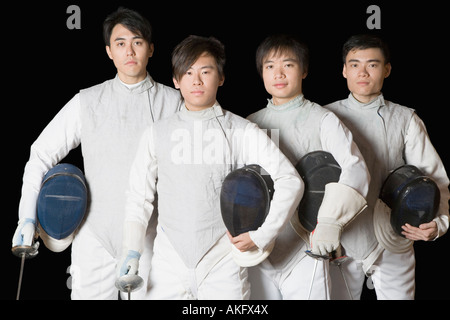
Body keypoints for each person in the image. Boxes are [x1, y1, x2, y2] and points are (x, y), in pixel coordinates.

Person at [12, 8, 182, 299]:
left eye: (137, 42)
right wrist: (26, 216)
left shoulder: (174, 102)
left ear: (151, 49)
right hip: (94, 236)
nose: (129, 51)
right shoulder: (88, 101)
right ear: (109, 52)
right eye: (120, 43)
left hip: (152, 237)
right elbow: (40, 152)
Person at [117, 35, 303, 300]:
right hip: (169, 260)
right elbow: (138, 197)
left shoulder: (240, 130)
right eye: (188, 72)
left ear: (221, 77)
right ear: (176, 80)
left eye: (206, 71)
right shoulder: (157, 133)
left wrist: (262, 235)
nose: (197, 80)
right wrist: (132, 250)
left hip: (222, 259)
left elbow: (290, 180)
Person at [324, 34, 450, 300]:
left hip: (394, 236)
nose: (363, 72)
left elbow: (433, 177)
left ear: (387, 69)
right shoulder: (326, 117)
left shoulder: (406, 119)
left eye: (373, 64)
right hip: (343, 238)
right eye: (355, 64)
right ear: (344, 69)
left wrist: (439, 222)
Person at [246, 34, 370, 299]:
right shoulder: (250, 123)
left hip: (306, 247)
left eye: (288, 65)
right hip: (261, 247)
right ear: (262, 73)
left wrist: (328, 223)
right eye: (270, 67)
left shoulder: (323, 118)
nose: (278, 74)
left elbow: (355, 167)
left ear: (303, 70)